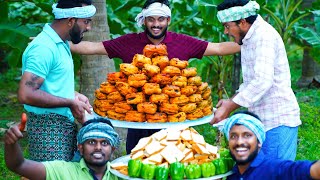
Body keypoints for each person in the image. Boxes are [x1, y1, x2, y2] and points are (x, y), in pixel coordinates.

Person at [70, 0, 241, 154]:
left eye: (161, 19)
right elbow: (92, 47)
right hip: (138, 125)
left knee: (173, 164)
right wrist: (58, 39)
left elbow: (218, 48)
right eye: (151, 19)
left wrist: (249, 41)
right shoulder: (129, 42)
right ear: (144, 21)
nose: (156, 24)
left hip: (175, 125)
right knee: (137, 163)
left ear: (168, 20)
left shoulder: (182, 42)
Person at [210, 0, 301, 161]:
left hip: (277, 121)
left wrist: (230, 106)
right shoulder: (249, 38)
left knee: (277, 174)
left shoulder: (263, 37)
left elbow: (262, 81)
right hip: (261, 120)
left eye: (227, 26)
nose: (226, 32)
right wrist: (229, 101)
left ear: (242, 22)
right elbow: (250, 82)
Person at [17, 0, 94, 161]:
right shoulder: (44, 48)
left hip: (62, 126)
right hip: (47, 129)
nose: (88, 27)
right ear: (70, 21)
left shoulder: (61, 43)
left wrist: (73, 95)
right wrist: (69, 102)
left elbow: (51, 84)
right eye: (86, 22)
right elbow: (26, 94)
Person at [4, 118, 120, 180]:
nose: (98, 147)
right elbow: (19, 165)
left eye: (104, 143)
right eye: (91, 142)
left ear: (112, 149)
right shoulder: (63, 170)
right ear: (80, 148)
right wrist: (11, 143)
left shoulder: (122, 174)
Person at [223, 111, 320, 179]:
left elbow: (313, 171)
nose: (239, 142)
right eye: (233, 136)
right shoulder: (231, 174)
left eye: (247, 135)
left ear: (259, 142)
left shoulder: (275, 169)